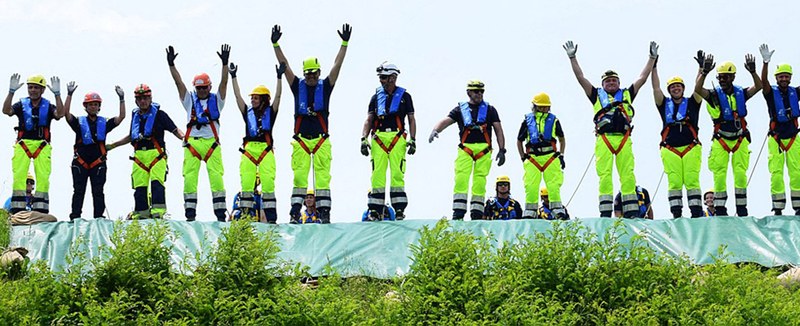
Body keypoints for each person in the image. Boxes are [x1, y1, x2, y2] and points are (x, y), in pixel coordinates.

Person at [563, 41, 658, 218]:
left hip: (623, 139)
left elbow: (642, 78)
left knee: (628, 174)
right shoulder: (596, 95)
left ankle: (631, 211)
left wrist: (651, 58)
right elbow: (581, 78)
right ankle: (605, 212)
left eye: (614, 80)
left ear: (618, 83)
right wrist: (572, 58)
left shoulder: (628, 94)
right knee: (604, 175)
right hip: (604, 139)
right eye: (607, 81)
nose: (611, 83)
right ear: (603, 84)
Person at [271, 23, 351, 224]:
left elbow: (337, 65)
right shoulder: (297, 86)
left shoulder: (326, 87)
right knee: (299, 179)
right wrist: (275, 44)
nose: (312, 77)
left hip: (321, 140)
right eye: (308, 74)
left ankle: (324, 212)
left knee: (323, 179)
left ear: (319, 72)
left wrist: (344, 43)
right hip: (301, 141)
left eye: (315, 73)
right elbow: (285, 64)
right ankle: (295, 212)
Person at [166, 44, 230, 222]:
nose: (201, 91)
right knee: (189, 180)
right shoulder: (189, 101)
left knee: (217, 179)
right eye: (199, 88)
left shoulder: (217, 101)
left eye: (204, 88)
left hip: (212, 144)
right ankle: (190, 216)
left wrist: (225, 64)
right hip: (192, 144)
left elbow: (224, 83)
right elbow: (178, 83)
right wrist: (172, 66)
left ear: (209, 88)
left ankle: (220, 216)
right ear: (195, 89)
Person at [694, 52, 762, 216]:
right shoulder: (713, 95)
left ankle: (741, 208)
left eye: (725, 77)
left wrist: (753, 72)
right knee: (719, 174)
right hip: (721, 139)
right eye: (720, 77)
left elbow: (758, 87)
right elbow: (697, 89)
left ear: (732, 77)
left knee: (740, 173)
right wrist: (703, 72)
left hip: (740, 138)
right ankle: (721, 208)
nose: (722, 80)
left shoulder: (741, 93)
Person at [429, 80, 506, 220]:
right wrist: (435, 130)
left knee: (480, 181)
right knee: (461, 178)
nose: (479, 94)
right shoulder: (460, 109)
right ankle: (458, 211)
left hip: (484, 150)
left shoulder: (490, 110)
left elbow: (498, 129)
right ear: (469, 92)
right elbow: (446, 120)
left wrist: (502, 150)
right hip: (466, 149)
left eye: (482, 91)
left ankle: (477, 212)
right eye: (476, 91)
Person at [107, 84, 184, 219]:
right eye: (140, 98)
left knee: (157, 183)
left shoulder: (160, 115)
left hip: (156, 154)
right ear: (136, 100)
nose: (143, 101)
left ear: (150, 98)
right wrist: (113, 146)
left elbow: (175, 129)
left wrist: (185, 138)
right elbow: (132, 136)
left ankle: (158, 212)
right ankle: (141, 212)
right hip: (139, 157)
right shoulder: (136, 117)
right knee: (139, 186)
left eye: (145, 98)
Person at [229, 61, 284, 224]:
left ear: (264, 100)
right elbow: (237, 96)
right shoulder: (247, 112)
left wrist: (279, 78)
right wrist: (233, 77)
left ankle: (271, 219)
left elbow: (279, 97)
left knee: (268, 184)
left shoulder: (271, 112)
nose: (252, 100)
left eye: (255, 98)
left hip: (266, 150)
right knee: (246, 184)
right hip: (249, 151)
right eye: (252, 98)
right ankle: (246, 217)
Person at [360, 61, 417, 221]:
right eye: (380, 77)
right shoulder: (375, 97)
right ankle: (375, 209)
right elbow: (369, 119)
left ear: (393, 77)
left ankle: (399, 208)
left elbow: (411, 119)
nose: (381, 80)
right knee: (377, 174)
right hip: (379, 139)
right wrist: (363, 139)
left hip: (397, 137)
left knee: (397, 174)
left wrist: (413, 139)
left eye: (384, 77)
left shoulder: (405, 97)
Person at [651, 54, 705, 218]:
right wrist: (654, 67)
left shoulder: (693, 102)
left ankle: (696, 212)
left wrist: (702, 70)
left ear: (683, 88)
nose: (676, 89)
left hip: (691, 147)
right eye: (673, 87)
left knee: (692, 180)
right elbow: (656, 88)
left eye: (678, 86)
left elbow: (699, 88)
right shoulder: (663, 103)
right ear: (670, 90)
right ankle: (676, 214)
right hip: (670, 148)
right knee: (674, 182)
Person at [3, 74, 64, 214]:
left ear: (42, 90)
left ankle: (40, 209)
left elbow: (60, 114)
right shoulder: (21, 104)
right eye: (30, 87)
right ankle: (18, 208)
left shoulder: (48, 106)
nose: (33, 90)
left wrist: (57, 95)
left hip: (42, 145)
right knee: (19, 175)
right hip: (23, 145)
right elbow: (6, 111)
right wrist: (11, 92)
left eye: (36, 87)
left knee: (43, 176)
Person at [63, 82, 126, 220]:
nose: (93, 106)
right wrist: (69, 94)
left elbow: (121, 117)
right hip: (80, 162)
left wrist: (121, 99)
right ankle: (75, 216)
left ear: (99, 107)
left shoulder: (104, 123)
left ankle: (99, 216)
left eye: (96, 104)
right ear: (85, 106)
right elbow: (66, 114)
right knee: (78, 191)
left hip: (98, 163)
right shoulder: (79, 123)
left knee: (98, 191)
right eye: (90, 104)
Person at [758, 44, 800, 216]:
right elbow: (763, 83)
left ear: (790, 78)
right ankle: (778, 207)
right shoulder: (770, 92)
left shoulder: (795, 92)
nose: (784, 79)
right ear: (777, 78)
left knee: (796, 171)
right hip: (775, 138)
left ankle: (798, 206)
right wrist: (765, 63)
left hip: (793, 137)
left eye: (786, 76)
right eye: (781, 76)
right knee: (776, 173)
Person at [516, 92, 566, 219]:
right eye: (541, 106)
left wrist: (561, 155)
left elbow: (562, 139)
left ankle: (557, 210)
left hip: (551, 157)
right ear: (535, 106)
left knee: (554, 185)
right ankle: (530, 213)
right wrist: (523, 157)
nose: (544, 109)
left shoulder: (554, 120)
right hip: (532, 158)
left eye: (546, 106)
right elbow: (519, 140)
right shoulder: (527, 121)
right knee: (531, 185)